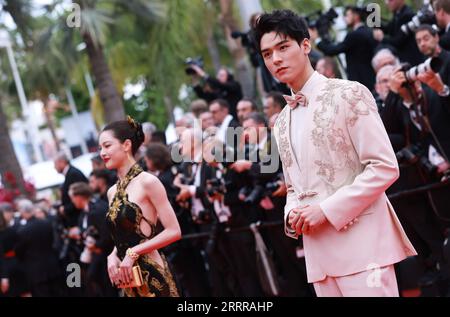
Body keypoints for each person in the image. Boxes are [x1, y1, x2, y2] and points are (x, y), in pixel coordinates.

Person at [253, 9, 417, 297]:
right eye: (267, 54)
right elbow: (294, 186)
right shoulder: (281, 121)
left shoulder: (348, 93)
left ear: (306, 45)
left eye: (282, 47)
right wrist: (292, 212)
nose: (275, 59)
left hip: (364, 251)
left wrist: (325, 211)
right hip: (319, 258)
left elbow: (384, 166)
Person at [99, 116, 181, 297]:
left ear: (126, 145)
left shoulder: (148, 182)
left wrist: (134, 252)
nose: (102, 153)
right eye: (100, 148)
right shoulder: (112, 191)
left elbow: (174, 231)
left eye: (107, 146)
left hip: (153, 276)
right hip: (128, 278)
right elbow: (123, 234)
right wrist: (113, 255)